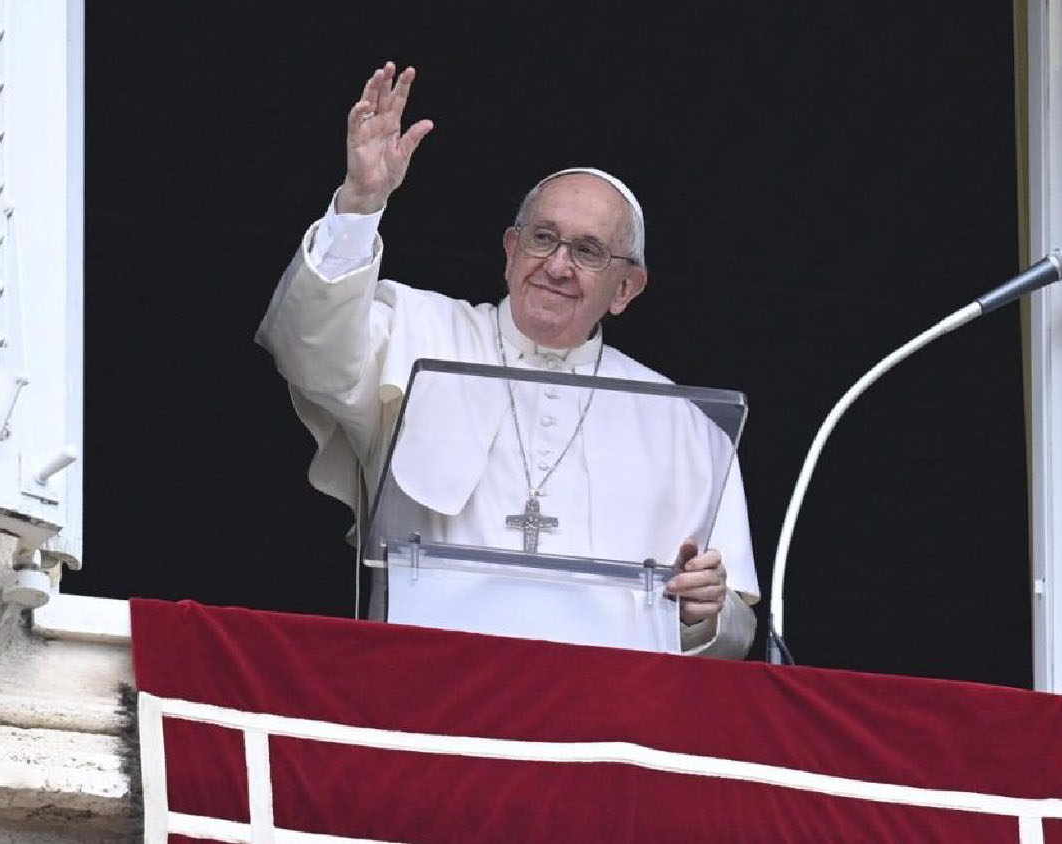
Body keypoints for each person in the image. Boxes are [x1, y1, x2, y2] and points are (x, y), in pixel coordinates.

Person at [257, 63, 758, 657]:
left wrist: (704, 616)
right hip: (427, 688)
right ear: (511, 249)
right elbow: (306, 346)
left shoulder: (686, 428)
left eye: (588, 251)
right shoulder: (417, 332)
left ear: (626, 289)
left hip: (602, 724)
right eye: (542, 239)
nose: (557, 266)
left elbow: (735, 629)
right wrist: (361, 204)